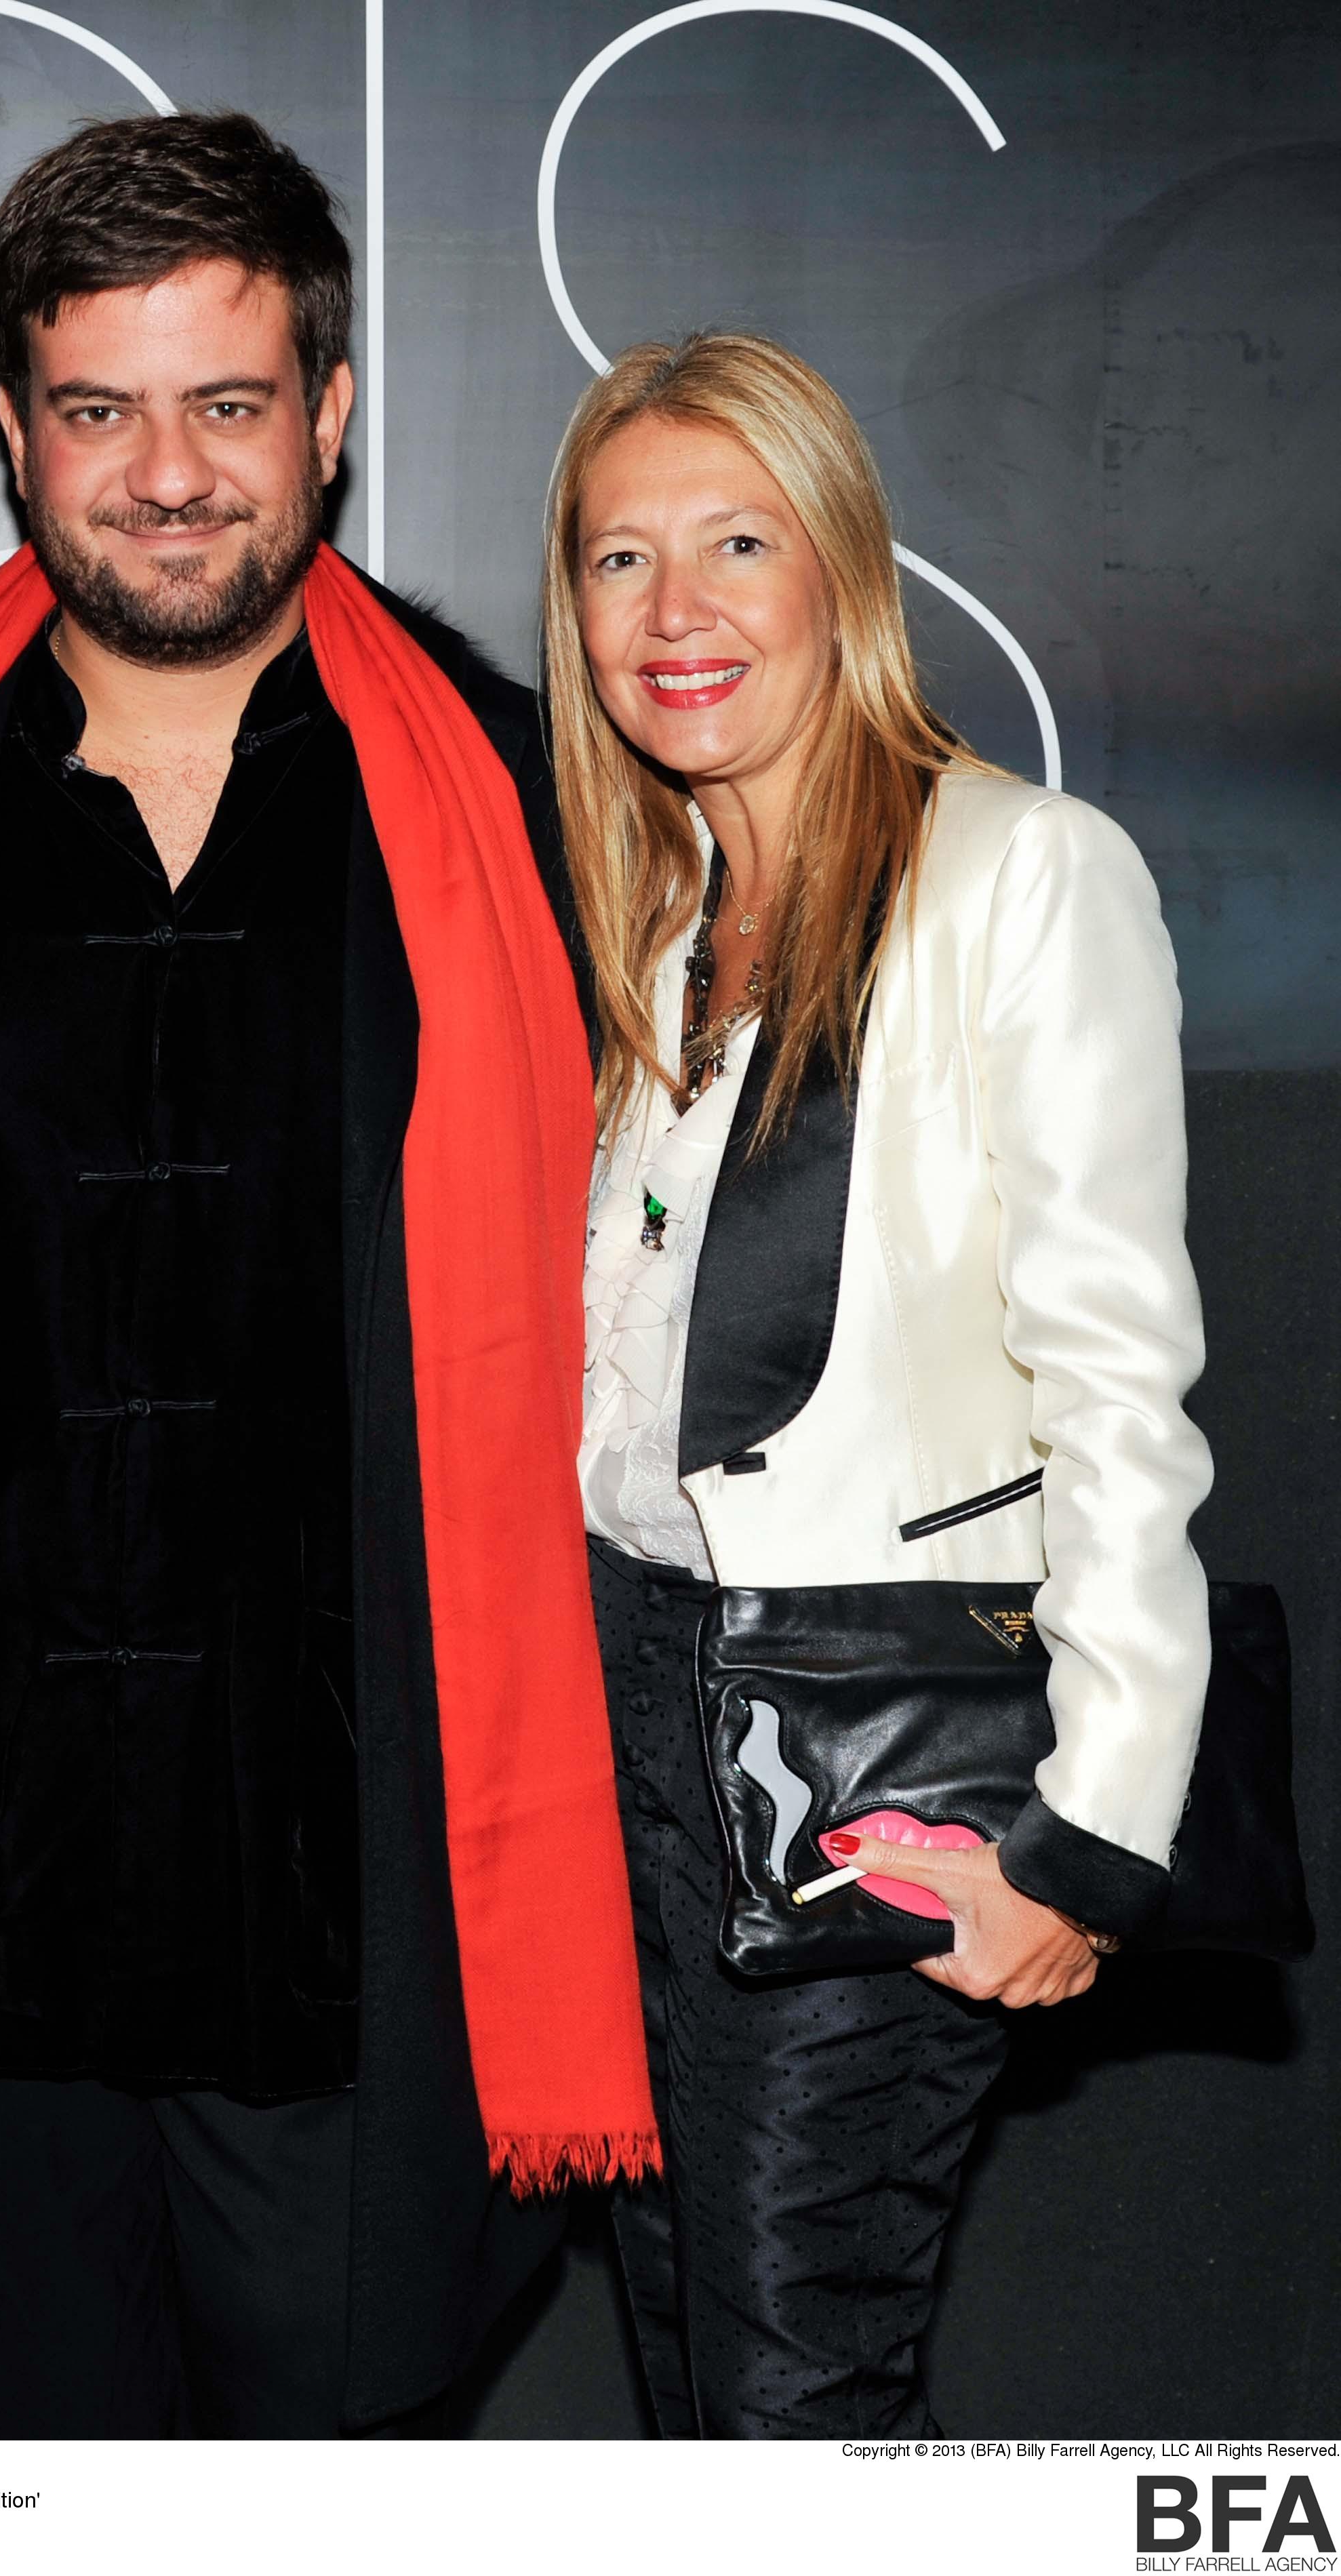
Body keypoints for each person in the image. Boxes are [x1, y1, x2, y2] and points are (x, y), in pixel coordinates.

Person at [0, 112, 658, 2438]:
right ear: (14, 429)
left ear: (333, 412)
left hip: (357, 1937)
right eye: (99, 408)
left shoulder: (532, 810)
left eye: (228, 403)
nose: (167, 474)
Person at [549, 331, 1213, 2436]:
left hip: (880, 1749)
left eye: (736, 543)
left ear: (841, 563)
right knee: (687, 2361)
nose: (676, 611)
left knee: (793, 2398)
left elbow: (1118, 1381)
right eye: (621, 558)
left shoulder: (1019, 873)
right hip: (626, 1723)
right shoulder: (658, 920)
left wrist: (1086, 1836)